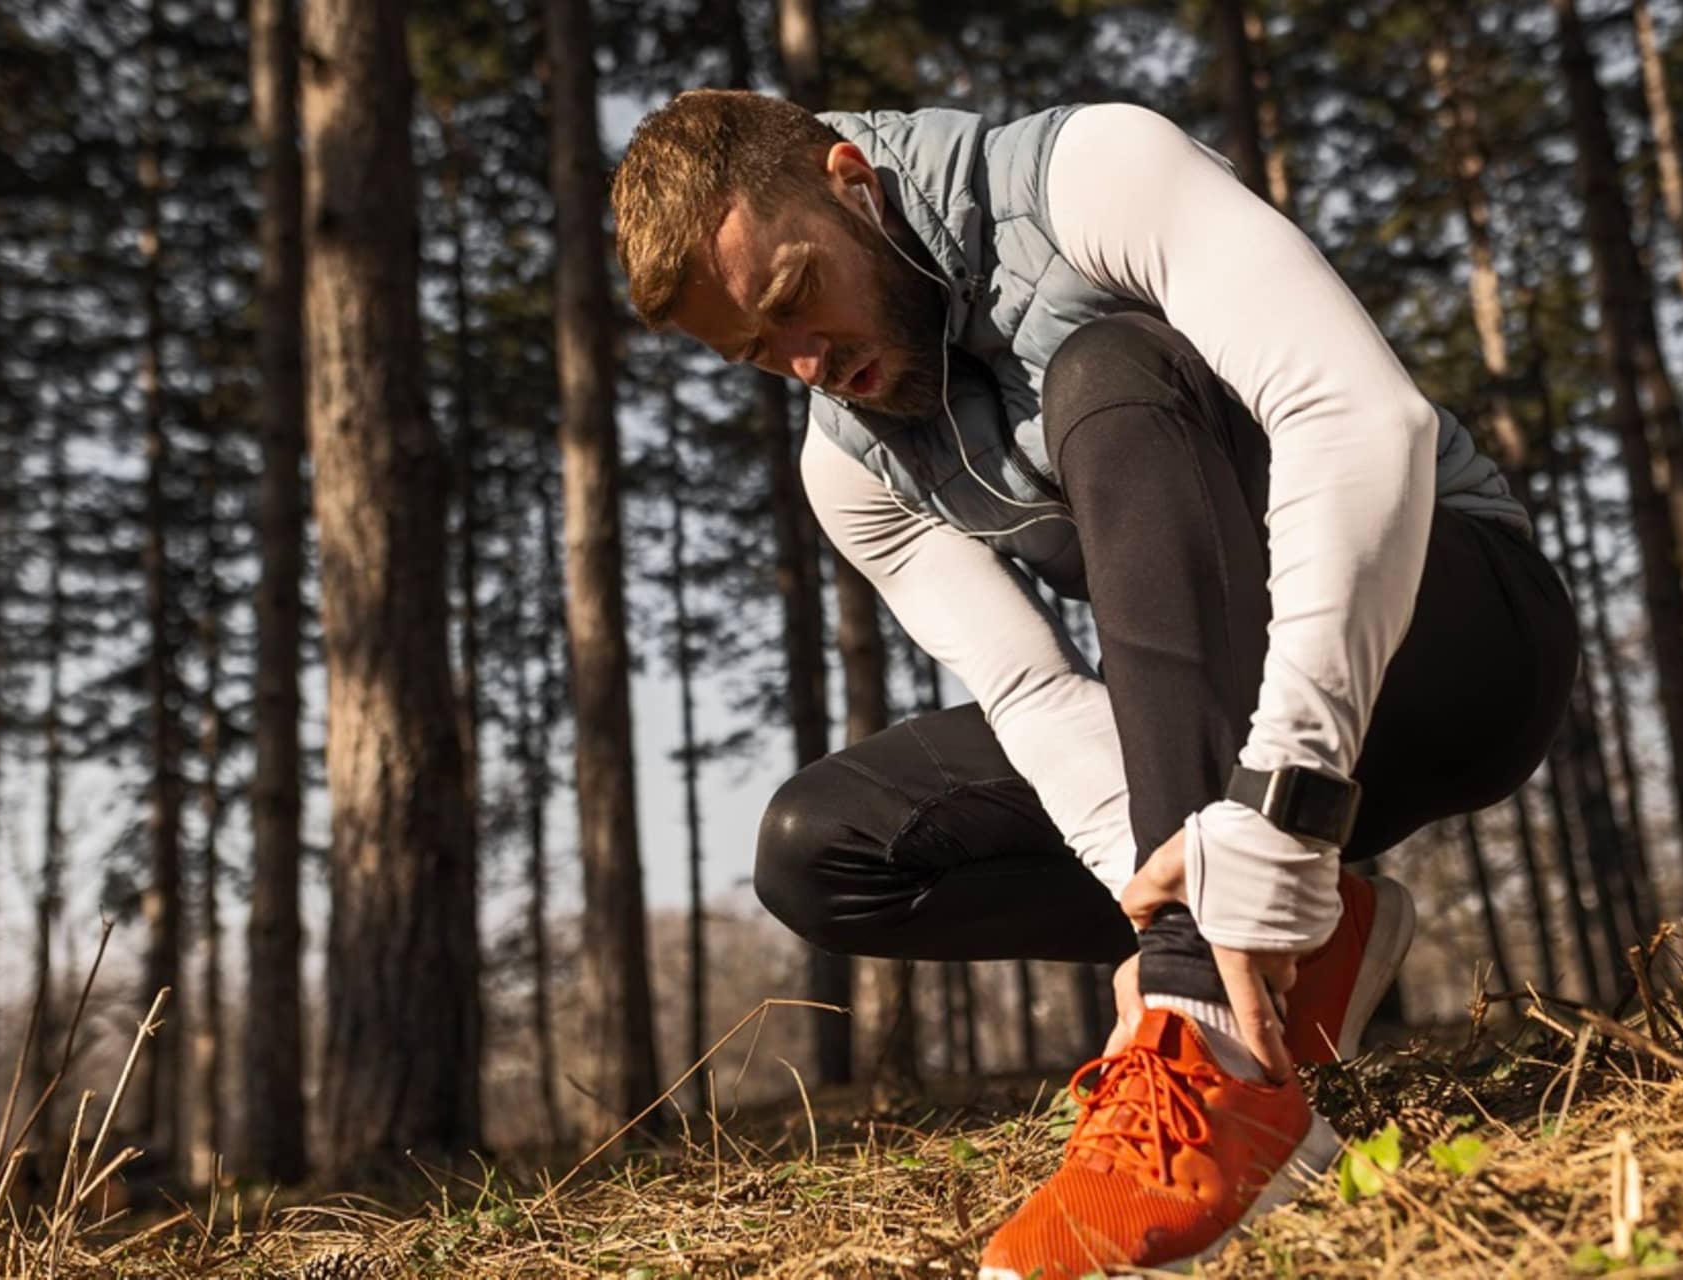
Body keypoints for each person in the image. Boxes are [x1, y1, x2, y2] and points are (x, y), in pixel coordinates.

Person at [611, 91, 1578, 1277]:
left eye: (793, 296)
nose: (812, 363)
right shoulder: (847, 466)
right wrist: (1164, 884)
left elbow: (1354, 417)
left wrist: (1280, 808)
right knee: (822, 847)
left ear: (851, 181)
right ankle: (1295, 954)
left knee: (1107, 367)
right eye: (760, 354)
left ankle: (1207, 1046)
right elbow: (1031, 694)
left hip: (1453, 642)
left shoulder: (1090, 176)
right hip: (1235, 742)